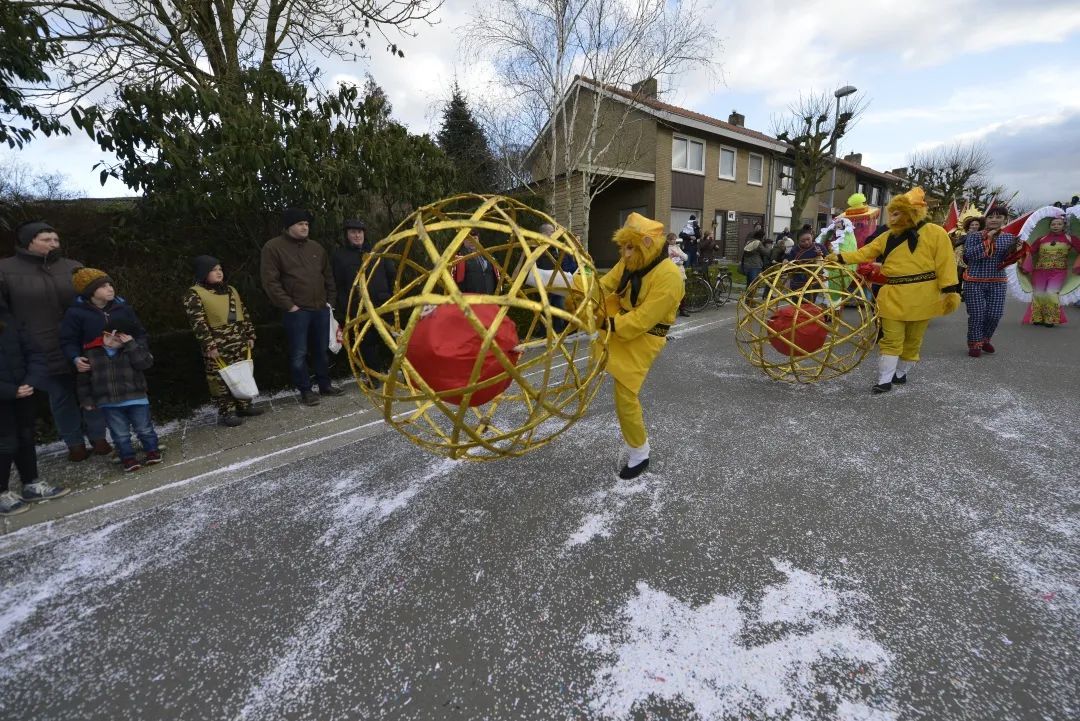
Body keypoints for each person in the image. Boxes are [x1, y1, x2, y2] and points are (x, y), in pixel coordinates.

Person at [829, 187, 960, 393]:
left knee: (913, 340)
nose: (892, 217)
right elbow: (866, 252)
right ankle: (884, 380)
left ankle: (900, 373)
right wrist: (840, 257)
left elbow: (945, 262)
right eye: (891, 212)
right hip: (893, 294)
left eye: (897, 212)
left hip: (924, 296)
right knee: (891, 339)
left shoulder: (936, 233)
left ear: (912, 212)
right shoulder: (887, 236)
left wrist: (950, 289)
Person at [0, 221, 110, 462]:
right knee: (60, 396)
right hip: (40, 345)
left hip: (82, 341)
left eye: (56, 239)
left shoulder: (73, 267)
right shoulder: (5, 270)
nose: (53, 243)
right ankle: (74, 443)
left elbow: (93, 299)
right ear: (29, 241)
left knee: (91, 390)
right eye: (46, 239)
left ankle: (99, 437)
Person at [597, 213, 683, 479]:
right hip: (622, 322)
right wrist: (579, 295)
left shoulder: (670, 277)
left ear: (646, 245)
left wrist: (606, 324)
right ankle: (537, 276)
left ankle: (640, 453)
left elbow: (644, 320)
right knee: (599, 365)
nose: (624, 253)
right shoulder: (631, 260)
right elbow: (604, 285)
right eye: (622, 247)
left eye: (630, 247)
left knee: (625, 394)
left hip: (646, 337)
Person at [261, 208, 343, 406]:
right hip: (297, 312)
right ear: (289, 226)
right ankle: (306, 391)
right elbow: (270, 281)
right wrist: (289, 306)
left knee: (321, 351)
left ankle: (325, 385)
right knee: (299, 353)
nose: (305, 227)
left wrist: (330, 300)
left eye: (306, 224)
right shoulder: (273, 247)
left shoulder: (315, 247)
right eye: (300, 224)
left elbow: (328, 276)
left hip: (321, 309)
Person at [0, 304, 68, 514]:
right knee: (6, 443)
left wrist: (31, 381)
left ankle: (31, 483)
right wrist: (11, 390)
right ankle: (2, 493)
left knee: (26, 437)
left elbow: (35, 353)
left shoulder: (9, 319)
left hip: (24, 391)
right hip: (5, 397)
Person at [183, 256, 261, 427]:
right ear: (204, 273)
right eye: (214, 270)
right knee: (219, 378)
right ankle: (227, 411)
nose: (219, 273)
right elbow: (198, 323)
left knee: (242, 373)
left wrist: (250, 335)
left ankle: (244, 405)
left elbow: (244, 313)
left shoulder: (231, 290)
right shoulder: (194, 294)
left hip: (239, 340)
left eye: (220, 269)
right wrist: (209, 345)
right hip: (217, 345)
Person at [76, 317, 160, 472]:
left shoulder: (133, 349)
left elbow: (145, 363)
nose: (109, 342)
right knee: (120, 434)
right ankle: (127, 457)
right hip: (108, 402)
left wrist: (131, 345)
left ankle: (152, 450)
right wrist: (86, 399)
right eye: (107, 336)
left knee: (144, 428)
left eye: (115, 339)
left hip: (136, 398)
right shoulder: (91, 353)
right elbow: (84, 380)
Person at [331, 218, 397, 379]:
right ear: (346, 235)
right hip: (358, 307)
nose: (357, 236)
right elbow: (339, 284)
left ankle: (398, 370)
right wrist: (346, 305)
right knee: (367, 343)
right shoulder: (340, 257)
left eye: (359, 232)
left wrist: (390, 297)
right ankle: (374, 376)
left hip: (382, 304)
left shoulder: (377, 252)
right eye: (353, 232)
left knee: (390, 339)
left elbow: (391, 275)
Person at [962, 202, 1021, 357]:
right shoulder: (974, 236)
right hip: (974, 280)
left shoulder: (1009, 238)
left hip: (998, 280)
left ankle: (985, 339)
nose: (994, 220)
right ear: (985, 219)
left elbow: (1009, 259)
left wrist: (1018, 251)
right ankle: (975, 344)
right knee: (977, 314)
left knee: (995, 314)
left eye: (999, 217)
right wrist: (987, 239)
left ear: (1005, 220)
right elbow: (969, 256)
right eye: (990, 217)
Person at [1017, 209, 1080, 327]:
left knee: (1051, 293)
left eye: (1059, 224)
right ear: (1049, 226)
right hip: (1040, 271)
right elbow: (1029, 252)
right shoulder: (1041, 239)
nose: (1056, 226)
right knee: (1039, 293)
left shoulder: (1070, 239)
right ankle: (1037, 317)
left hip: (1058, 272)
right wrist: (1020, 248)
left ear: (1064, 225)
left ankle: (1050, 318)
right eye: (1053, 224)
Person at [667, 233, 690, 317]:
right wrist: (671, 257)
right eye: (672, 239)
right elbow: (665, 261)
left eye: (675, 239)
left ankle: (682, 310)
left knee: (682, 292)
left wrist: (678, 255)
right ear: (668, 240)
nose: (674, 240)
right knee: (672, 292)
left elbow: (686, 257)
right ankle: (671, 310)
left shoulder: (677, 247)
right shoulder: (666, 249)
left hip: (680, 271)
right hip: (672, 271)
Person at [741, 230, 769, 297]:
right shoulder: (758, 243)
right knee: (754, 284)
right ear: (761, 237)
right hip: (755, 265)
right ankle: (751, 301)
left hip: (747, 265)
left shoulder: (749, 242)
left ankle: (747, 300)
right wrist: (768, 247)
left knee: (749, 284)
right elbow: (766, 252)